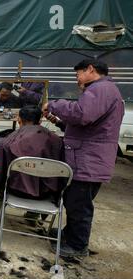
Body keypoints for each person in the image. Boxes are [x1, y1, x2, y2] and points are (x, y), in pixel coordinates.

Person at [42, 59, 125, 258]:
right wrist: (58, 121)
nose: (77, 78)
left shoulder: (101, 89)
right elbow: (84, 126)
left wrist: (54, 104)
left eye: (78, 73)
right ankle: (70, 235)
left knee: (80, 205)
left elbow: (82, 114)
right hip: (87, 157)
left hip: (90, 160)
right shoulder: (102, 90)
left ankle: (77, 246)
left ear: (90, 69)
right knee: (73, 200)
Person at [0, 105, 63, 225]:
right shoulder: (56, 141)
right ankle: (32, 216)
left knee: (2, 178)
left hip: (14, 190)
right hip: (45, 194)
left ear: (19, 120)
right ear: (40, 120)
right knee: (41, 179)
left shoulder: (10, 140)